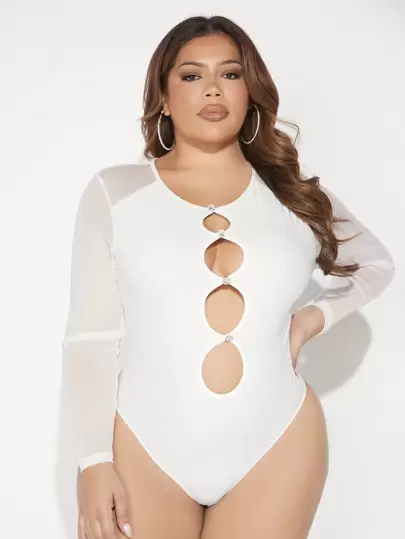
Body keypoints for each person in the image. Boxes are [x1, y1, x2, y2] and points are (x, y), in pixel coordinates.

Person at [61, 14, 395, 539]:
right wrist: (92, 462)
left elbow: (376, 266)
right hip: (146, 448)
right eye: (192, 75)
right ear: (164, 97)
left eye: (231, 74)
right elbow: (91, 339)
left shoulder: (293, 196)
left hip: (277, 446)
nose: (213, 88)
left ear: (249, 91)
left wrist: (312, 319)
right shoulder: (116, 193)